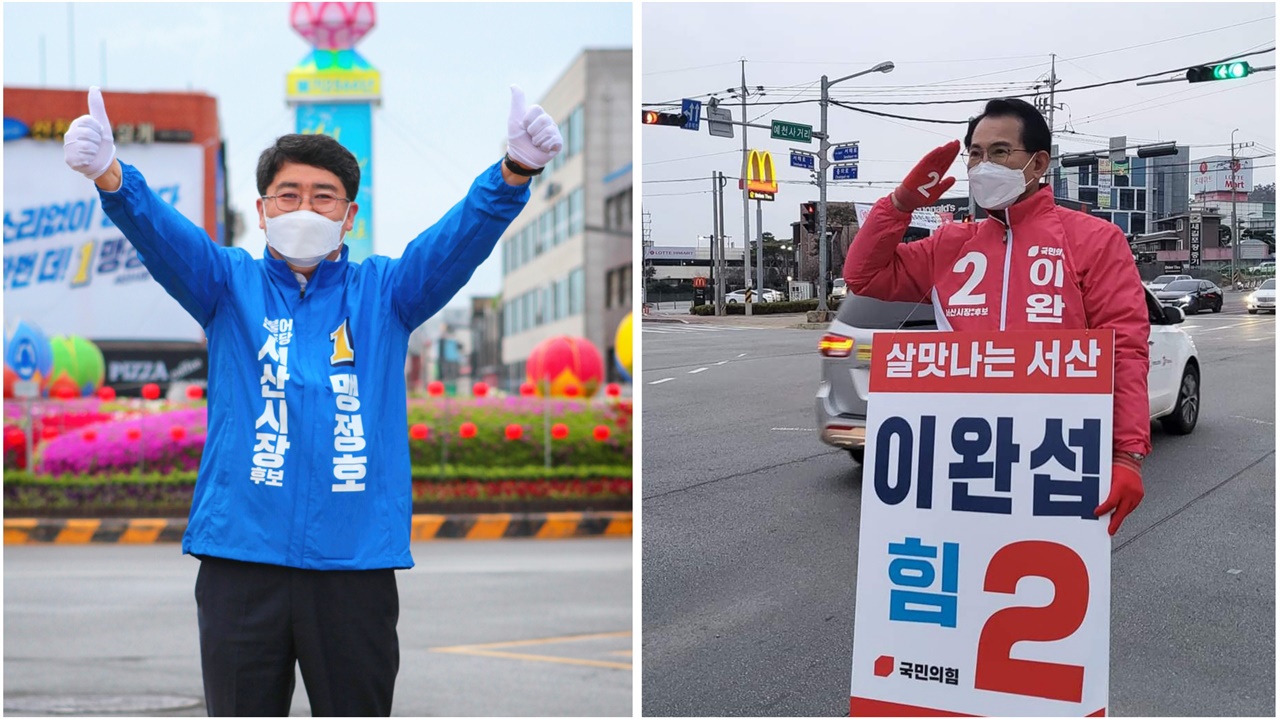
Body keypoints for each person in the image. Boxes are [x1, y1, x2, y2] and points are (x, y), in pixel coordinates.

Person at [63, 85, 562, 717]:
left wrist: (513, 171)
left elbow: (456, 241)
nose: (305, 207)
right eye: (288, 195)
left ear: (349, 214)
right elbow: (163, 237)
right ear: (263, 210)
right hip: (241, 562)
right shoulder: (226, 285)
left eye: (323, 196)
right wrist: (112, 175)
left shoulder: (388, 294)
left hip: (353, 568)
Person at [842, 97, 1146, 536]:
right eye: (976, 154)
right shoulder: (950, 244)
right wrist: (901, 203)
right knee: (956, 575)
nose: (984, 165)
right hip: (960, 451)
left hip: (1055, 453)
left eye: (1000, 152)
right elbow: (863, 276)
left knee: (1043, 581)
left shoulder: (1094, 240)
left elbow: (1125, 349)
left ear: (1038, 162)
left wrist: (1125, 455)